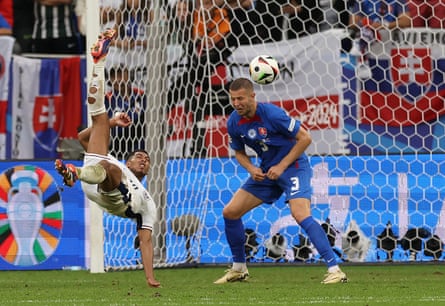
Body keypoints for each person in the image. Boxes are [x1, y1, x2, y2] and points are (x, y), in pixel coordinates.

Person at [214, 78, 348, 285]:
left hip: (293, 167)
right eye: (233, 99)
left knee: (301, 214)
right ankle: (239, 268)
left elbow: (305, 138)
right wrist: (251, 169)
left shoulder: (272, 114)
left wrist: (282, 166)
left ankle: (335, 270)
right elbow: (239, 152)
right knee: (230, 212)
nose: (236, 103)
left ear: (252, 96)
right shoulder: (233, 121)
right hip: (267, 172)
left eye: (240, 98)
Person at [54, 28, 160, 288]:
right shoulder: (117, 162)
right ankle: (99, 63)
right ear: (129, 161)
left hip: (115, 197)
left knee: (107, 167)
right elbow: (82, 137)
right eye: (139, 156)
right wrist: (111, 123)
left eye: (145, 160)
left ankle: (73, 174)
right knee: (99, 115)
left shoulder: (147, 202)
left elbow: (145, 240)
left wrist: (150, 276)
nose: (143, 159)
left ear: (145, 172)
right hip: (98, 173)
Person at [105, 64, 146, 160]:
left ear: (130, 77)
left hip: (141, 146)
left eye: (121, 75)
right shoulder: (107, 99)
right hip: (118, 147)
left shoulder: (140, 96)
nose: (118, 79)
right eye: (114, 76)